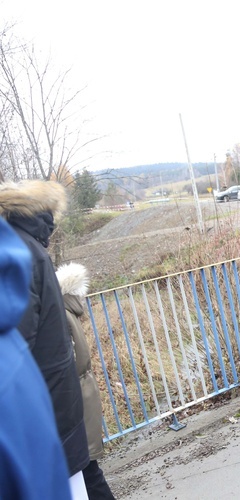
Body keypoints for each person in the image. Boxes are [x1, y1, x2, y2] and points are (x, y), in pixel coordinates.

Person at [0, 179, 90, 499]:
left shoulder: (18, 251)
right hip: (53, 402)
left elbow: (17, 343)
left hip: (41, 411)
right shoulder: (31, 248)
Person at [56, 262, 116, 499]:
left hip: (72, 402)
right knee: (88, 473)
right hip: (83, 396)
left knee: (87, 475)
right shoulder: (68, 310)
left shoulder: (56, 316)